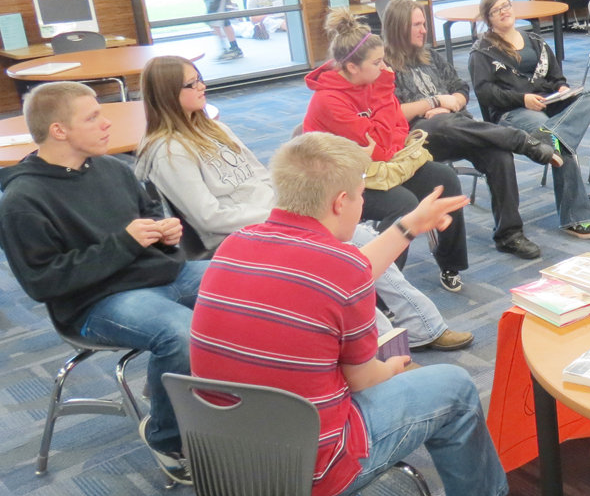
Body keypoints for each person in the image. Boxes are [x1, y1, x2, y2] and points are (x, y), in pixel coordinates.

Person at [191, 132, 533, 496]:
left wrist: (407, 226)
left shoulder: (233, 247)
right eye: (360, 194)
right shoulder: (340, 268)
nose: (363, 203)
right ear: (340, 202)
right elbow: (364, 376)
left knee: (304, 366)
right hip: (310, 473)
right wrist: (394, 368)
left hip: (223, 463)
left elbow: (345, 272)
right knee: (455, 387)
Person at [134, 55, 472, 352]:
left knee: (360, 240)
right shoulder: (167, 152)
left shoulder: (214, 129)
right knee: (342, 258)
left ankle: (423, 327)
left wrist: (294, 209)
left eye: (200, 78)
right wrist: (283, 216)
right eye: (191, 84)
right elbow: (210, 219)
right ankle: (381, 348)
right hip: (241, 239)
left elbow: (261, 176)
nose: (202, 86)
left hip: (277, 221)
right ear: (167, 95)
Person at [0, 82, 203, 484]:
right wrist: (125, 243)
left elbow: (144, 219)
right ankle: (166, 438)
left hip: (155, 276)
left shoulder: (111, 168)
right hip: (94, 302)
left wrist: (165, 237)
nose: (106, 122)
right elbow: (43, 282)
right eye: (92, 116)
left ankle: (219, 399)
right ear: (59, 131)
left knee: (246, 283)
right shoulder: (23, 199)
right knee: (182, 333)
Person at [303, 9, 471, 292]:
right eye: (377, 62)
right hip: (339, 183)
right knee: (402, 204)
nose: (385, 68)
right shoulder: (329, 101)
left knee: (446, 179)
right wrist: (384, 98)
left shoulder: (370, 81)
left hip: (380, 169)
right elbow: (381, 147)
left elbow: (397, 133)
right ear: (352, 67)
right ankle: (380, 290)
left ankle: (450, 263)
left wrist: (383, 135)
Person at [383, 0, 559, 260]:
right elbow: (390, 112)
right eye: (416, 25)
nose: (424, 30)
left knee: (498, 154)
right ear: (398, 28)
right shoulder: (383, 65)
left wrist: (453, 102)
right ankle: (522, 141)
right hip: (418, 137)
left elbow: (462, 88)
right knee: (438, 123)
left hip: (459, 124)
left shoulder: (429, 55)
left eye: (424, 24)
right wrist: (433, 102)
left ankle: (509, 235)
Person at [468, 0, 590, 240]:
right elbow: (485, 92)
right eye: (497, 10)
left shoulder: (533, 40)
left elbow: (556, 75)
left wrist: (562, 89)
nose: (504, 11)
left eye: (506, 6)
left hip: (548, 104)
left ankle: (552, 136)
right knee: (559, 144)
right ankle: (576, 217)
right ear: (488, 18)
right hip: (512, 112)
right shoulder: (482, 51)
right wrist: (522, 99)